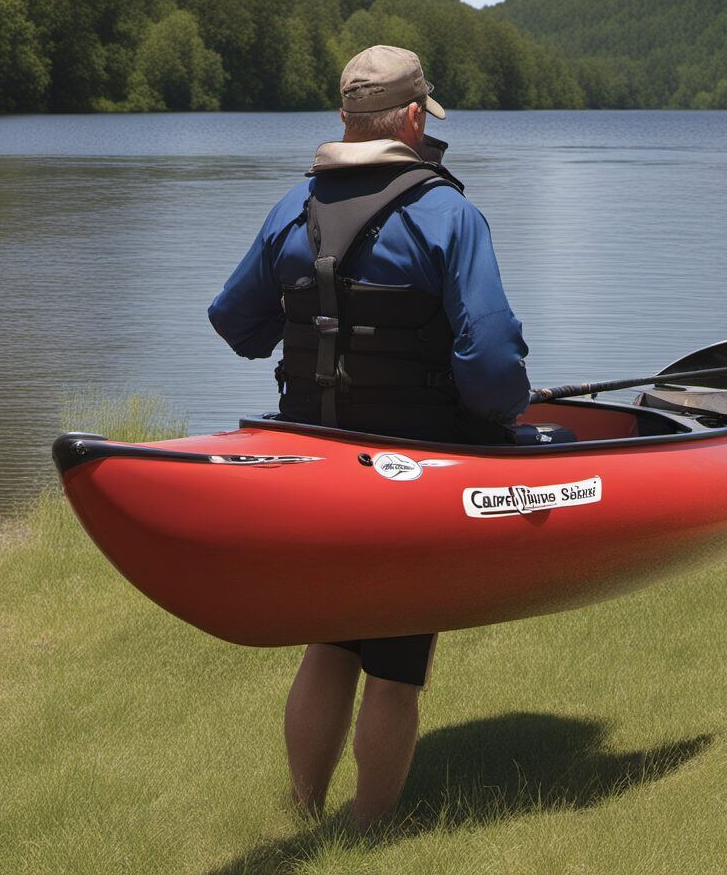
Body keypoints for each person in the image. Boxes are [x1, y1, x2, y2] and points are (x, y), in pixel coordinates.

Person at [208, 45, 530, 827]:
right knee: (394, 661)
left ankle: (304, 809)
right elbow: (490, 368)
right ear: (416, 119)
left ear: (345, 121)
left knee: (329, 640)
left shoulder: (293, 208)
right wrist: (509, 416)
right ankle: (371, 828)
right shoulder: (448, 214)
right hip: (407, 476)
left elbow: (236, 324)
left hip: (313, 470)